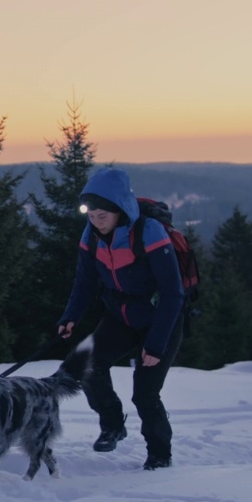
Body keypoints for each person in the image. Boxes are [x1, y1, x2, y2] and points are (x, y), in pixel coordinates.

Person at [56, 167, 185, 470]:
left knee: (145, 393)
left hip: (160, 318)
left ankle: (159, 456)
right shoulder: (91, 235)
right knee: (86, 364)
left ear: (119, 210)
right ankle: (113, 425)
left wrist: (154, 346)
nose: (96, 222)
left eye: (103, 216)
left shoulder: (149, 232)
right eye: (91, 216)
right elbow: (85, 283)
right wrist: (70, 317)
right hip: (121, 315)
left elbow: (173, 293)